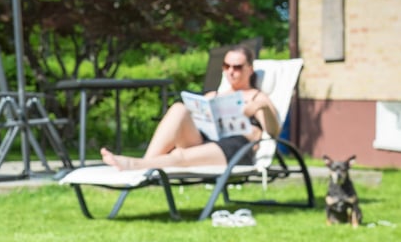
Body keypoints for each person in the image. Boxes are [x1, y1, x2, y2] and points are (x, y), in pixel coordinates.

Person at [100, 46, 280, 170]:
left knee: (180, 156)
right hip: (206, 139)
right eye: (226, 66)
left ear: (250, 69)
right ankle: (146, 163)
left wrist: (262, 107)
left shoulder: (257, 97)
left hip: (234, 148)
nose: (231, 71)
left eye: (237, 67)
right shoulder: (214, 96)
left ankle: (136, 166)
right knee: (179, 108)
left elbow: (273, 132)